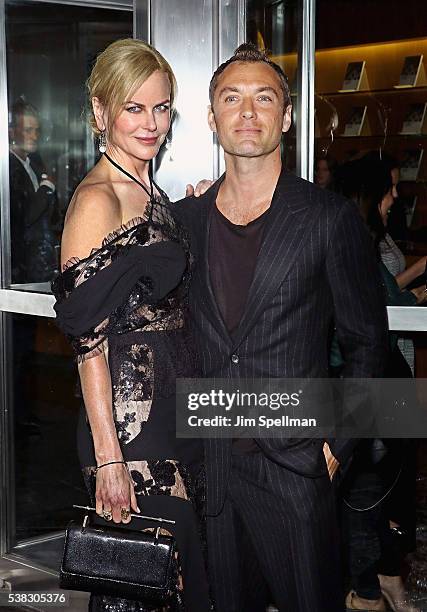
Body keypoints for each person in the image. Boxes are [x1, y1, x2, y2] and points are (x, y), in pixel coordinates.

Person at [175, 44, 388, 612]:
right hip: (211, 471)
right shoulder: (183, 221)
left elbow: (369, 346)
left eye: (263, 98)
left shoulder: (327, 218)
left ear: (286, 118)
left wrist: (336, 449)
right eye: (232, 98)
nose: (247, 111)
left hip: (297, 470)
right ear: (212, 117)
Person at [52, 39, 210, 612]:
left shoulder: (147, 186)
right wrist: (110, 457)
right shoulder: (97, 199)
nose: (152, 123)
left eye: (161, 107)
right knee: (143, 578)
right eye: (134, 108)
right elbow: (87, 340)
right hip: (131, 423)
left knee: (171, 573)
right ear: (100, 112)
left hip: (168, 407)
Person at [334, 155, 423, 612]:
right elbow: (389, 301)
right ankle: (369, 590)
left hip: (383, 377)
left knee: (382, 486)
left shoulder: (365, 238)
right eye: (387, 189)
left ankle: (381, 583)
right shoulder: (351, 241)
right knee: (369, 490)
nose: (393, 198)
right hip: (363, 382)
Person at [9, 98, 59, 284]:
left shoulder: (35, 162)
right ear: (12, 132)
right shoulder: (8, 168)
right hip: (18, 268)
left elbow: (50, 216)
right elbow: (23, 218)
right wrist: (47, 188)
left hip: (41, 263)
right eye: (28, 130)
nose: (35, 136)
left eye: (37, 130)